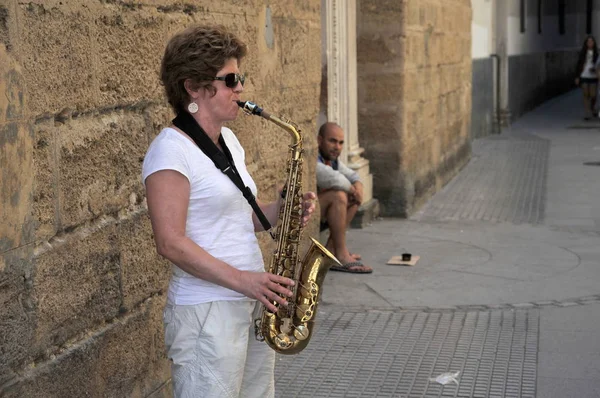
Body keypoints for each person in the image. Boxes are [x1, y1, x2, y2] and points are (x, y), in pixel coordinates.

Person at [142, 25, 316, 398]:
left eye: (241, 78)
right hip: (207, 313)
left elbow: (240, 218)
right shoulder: (170, 152)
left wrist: (281, 211)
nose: (240, 89)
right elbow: (170, 243)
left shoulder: (228, 141)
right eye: (231, 80)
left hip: (249, 301)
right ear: (193, 87)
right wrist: (244, 280)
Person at [316, 122, 373, 274]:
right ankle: (341, 255)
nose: (337, 147)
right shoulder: (314, 158)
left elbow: (352, 175)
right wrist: (353, 188)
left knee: (354, 198)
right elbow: (334, 179)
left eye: (341, 143)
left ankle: (331, 250)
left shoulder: (333, 159)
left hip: (320, 211)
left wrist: (358, 186)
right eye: (332, 141)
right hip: (307, 213)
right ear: (319, 140)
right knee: (339, 196)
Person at [575, 35, 600, 120]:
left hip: (593, 76)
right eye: (588, 41)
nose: (590, 43)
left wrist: (595, 70)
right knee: (585, 94)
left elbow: (598, 65)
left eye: (591, 41)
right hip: (584, 75)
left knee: (593, 95)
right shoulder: (582, 54)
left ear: (594, 43)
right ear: (586, 43)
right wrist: (577, 77)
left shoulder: (597, 54)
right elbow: (578, 65)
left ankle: (592, 108)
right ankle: (587, 113)